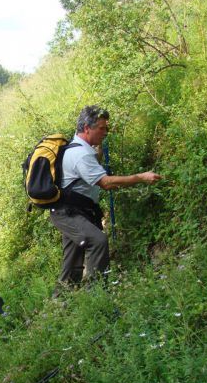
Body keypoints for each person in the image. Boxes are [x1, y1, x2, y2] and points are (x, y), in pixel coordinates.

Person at [49, 105, 162, 292]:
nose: (105, 132)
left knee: (72, 262)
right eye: (101, 128)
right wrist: (141, 177)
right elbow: (106, 183)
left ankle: (60, 305)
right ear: (87, 128)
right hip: (68, 213)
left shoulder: (79, 149)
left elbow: (84, 177)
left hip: (71, 212)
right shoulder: (80, 154)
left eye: (106, 128)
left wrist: (97, 153)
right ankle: (97, 297)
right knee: (98, 241)